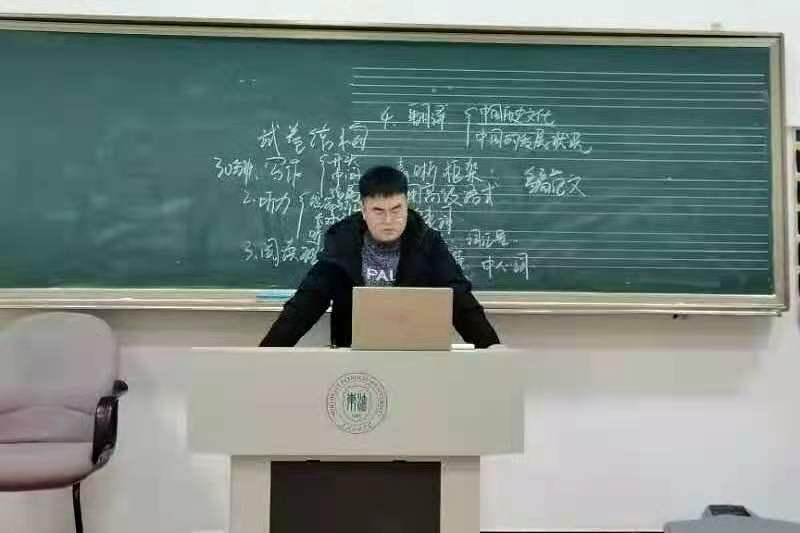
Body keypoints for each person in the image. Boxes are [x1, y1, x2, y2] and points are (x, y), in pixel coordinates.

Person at [259, 165, 500, 348]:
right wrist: (267, 353)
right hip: (353, 356)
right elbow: (306, 303)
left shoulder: (427, 244)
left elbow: (460, 300)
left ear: (407, 205)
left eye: (396, 210)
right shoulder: (343, 244)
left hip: (414, 354)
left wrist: (492, 349)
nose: (388, 220)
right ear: (363, 210)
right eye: (378, 211)